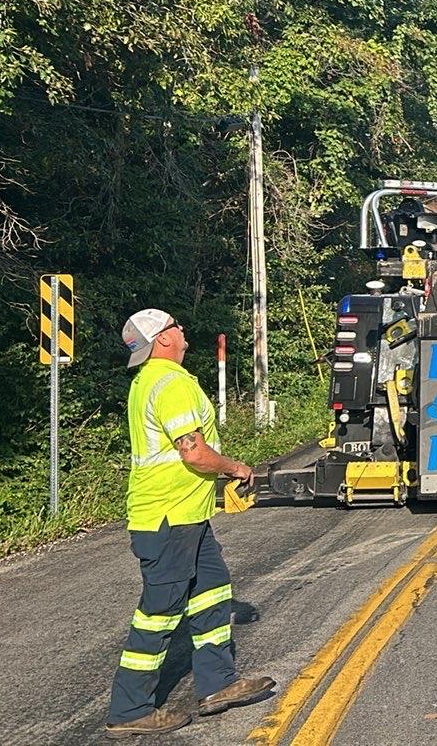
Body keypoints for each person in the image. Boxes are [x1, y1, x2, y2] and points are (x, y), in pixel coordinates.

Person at [106, 309, 275, 737]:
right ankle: (129, 711)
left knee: (212, 593)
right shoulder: (172, 384)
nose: (182, 330)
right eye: (175, 325)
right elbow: (194, 452)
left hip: (187, 516)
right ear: (162, 339)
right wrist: (235, 467)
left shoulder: (146, 382)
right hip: (168, 519)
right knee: (159, 614)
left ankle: (219, 685)